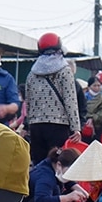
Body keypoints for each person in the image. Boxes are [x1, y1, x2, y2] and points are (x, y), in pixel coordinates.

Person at [25, 33, 81, 165]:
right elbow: (70, 100)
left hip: (36, 126)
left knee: (39, 163)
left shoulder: (32, 73)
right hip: (58, 125)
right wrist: (76, 128)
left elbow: (28, 102)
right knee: (58, 163)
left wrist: (29, 123)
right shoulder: (64, 70)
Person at [7, 146, 88, 202]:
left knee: (72, 195)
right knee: (69, 201)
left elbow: (67, 180)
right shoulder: (45, 177)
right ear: (59, 164)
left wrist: (80, 190)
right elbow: (41, 201)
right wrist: (69, 197)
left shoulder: (52, 165)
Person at [82, 75, 102, 143]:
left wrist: (92, 118)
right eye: (94, 85)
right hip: (82, 127)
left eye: (98, 85)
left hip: (97, 129)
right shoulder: (82, 97)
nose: (97, 88)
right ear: (89, 87)